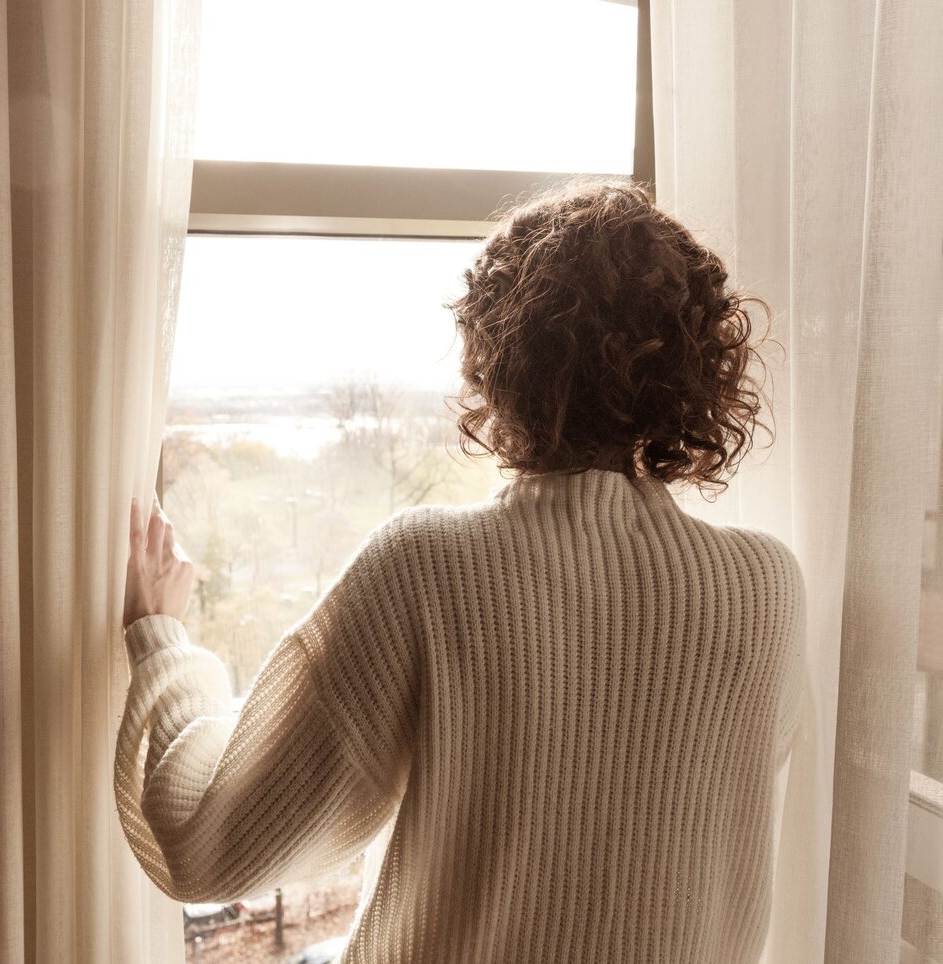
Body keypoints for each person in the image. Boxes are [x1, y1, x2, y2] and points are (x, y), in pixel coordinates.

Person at [114, 180, 806, 964]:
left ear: (499, 361)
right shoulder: (768, 591)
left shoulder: (428, 569)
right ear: (696, 370)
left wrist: (161, 639)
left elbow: (210, 843)